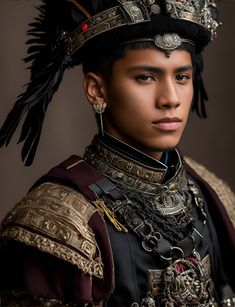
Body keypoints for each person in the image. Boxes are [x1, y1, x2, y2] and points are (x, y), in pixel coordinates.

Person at [0, 0, 234, 306]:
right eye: (145, 77)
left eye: (181, 77)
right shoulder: (61, 221)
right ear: (97, 90)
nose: (170, 99)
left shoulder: (212, 192)